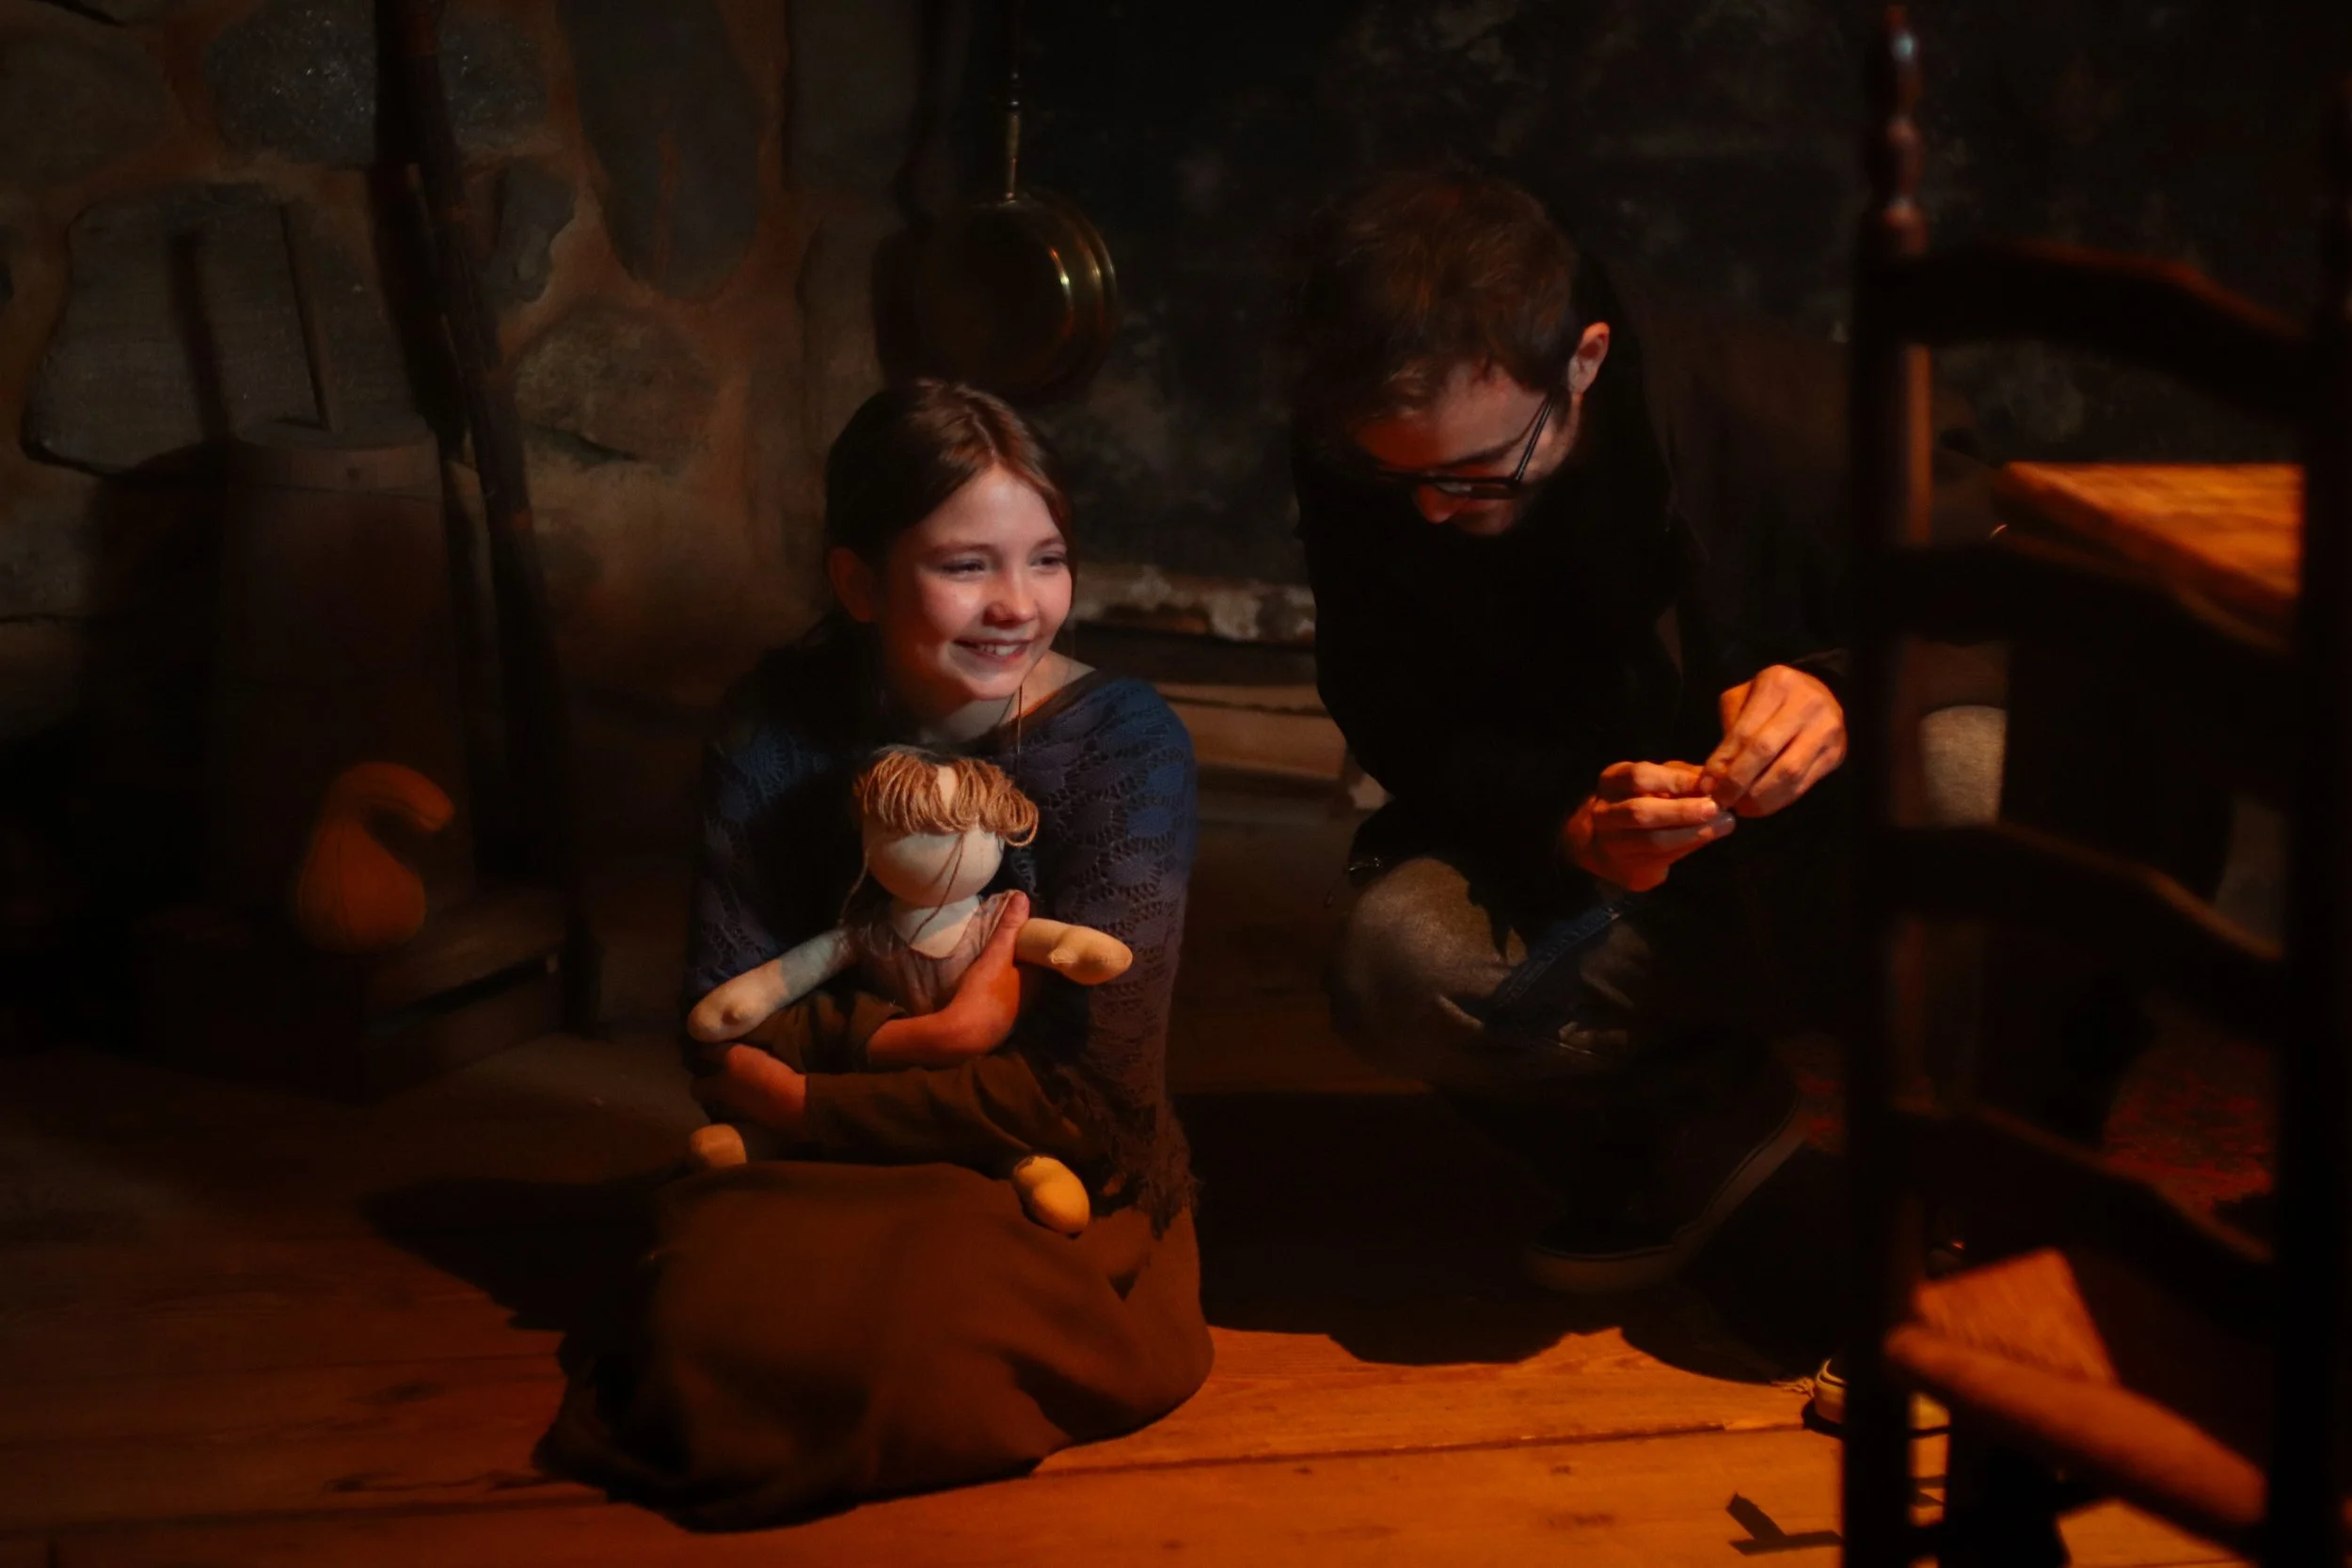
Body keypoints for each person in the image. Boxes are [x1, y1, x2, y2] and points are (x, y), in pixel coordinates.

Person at [1285, 166, 2008, 1296]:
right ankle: (1695, 1133)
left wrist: (1843, 688)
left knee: (1971, 767)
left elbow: (2021, 607)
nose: (1429, 510)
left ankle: (1949, 1233)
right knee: (1396, 961)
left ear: (1583, 359)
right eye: (1402, 478)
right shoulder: (1376, 453)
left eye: (1480, 472)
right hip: (1622, 899)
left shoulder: (1801, 415)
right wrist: (1563, 821)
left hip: (1847, 876)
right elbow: (1393, 706)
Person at [544, 380, 1213, 1527]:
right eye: (966, 565)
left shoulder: (1124, 744)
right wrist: (915, 1037)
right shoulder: (774, 723)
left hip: (1035, 1159)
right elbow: (719, 1028)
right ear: (858, 579)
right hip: (822, 1144)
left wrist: (806, 1097)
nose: (1017, 604)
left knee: (921, 1341)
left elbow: (1088, 1092)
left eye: (1045, 559)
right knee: (712, 1335)